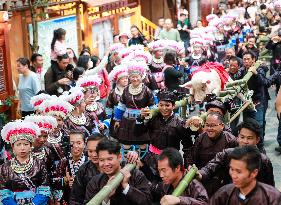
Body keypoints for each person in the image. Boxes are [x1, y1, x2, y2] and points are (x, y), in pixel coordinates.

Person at [198, 118, 275, 196]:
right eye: (242, 137)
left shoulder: (263, 161)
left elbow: (270, 189)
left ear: (257, 140)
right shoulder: (227, 154)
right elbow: (210, 167)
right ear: (238, 137)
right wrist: (200, 174)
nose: (245, 141)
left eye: (249, 138)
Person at [84, 139, 152, 205]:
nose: (106, 163)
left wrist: (126, 187)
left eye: (109, 159)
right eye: (101, 160)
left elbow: (147, 201)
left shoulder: (136, 175)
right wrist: (106, 198)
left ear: (119, 157)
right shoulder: (95, 182)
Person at [0, 121, 50, 205]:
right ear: (13, 147)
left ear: (30, 146)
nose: (22, 148)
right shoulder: (4, 167)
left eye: (26, 144)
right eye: (18, 144)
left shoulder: (39, 164)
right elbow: (4, 192)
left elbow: (45, 189)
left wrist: (33, 203)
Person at [210, 146, 281, 205]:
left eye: (239, 171)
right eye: (231, 169)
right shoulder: (224, 193)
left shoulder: (271, 197)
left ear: (254, 173)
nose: (233, 176)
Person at [187, 112, 237, 196]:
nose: (209, 128)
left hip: (224, 182)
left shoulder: (231, 140)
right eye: (207, 125)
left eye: (213, 125)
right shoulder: (201, 138)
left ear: (222, 126)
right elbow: (192, 158)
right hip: (202, 179)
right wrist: (190, 167)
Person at [113, 61, 155, 158]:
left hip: (141, 121)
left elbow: (152, 106)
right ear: (129, 78)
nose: (135, 79)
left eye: (137, 77)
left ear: (141, 77)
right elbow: (121, 105)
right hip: (127, 121)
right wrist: (117, 120)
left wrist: (149, 118)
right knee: (126, 144)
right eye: (132, 77)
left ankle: (142, 160)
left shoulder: (147, 90)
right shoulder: (126, 89)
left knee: (142, 143)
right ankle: (129, 161)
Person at [70, 134, 103, 205]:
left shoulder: (115, 165)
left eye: (97, 151)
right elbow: (75, 199)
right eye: (90, 151)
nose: (94, 155)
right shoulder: (83, 169)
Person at [107, 64, 129, 139]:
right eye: (123, 79)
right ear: (118, 81)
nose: (125, 80)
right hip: (115, 117)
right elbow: (109, 106)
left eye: (126, 78)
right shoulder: (113, 92)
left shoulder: (130, 90)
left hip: (128, 117)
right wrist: (108, 118)